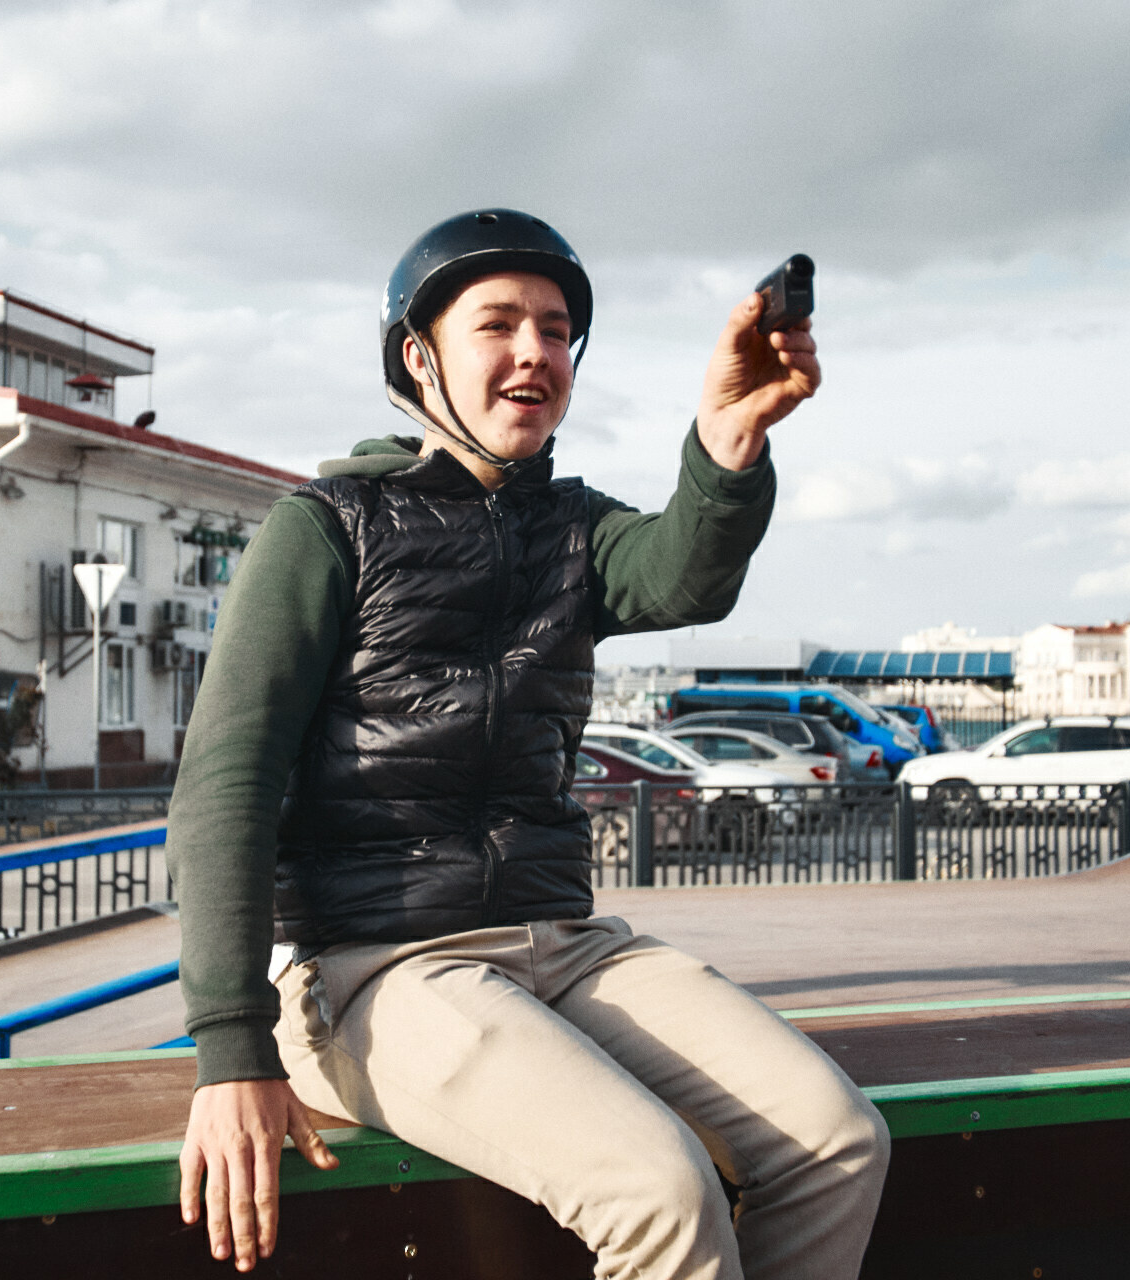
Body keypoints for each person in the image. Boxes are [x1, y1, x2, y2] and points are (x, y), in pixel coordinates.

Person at [169, 209, 889, 1278]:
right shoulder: (326, 527)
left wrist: (729, 443)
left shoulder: (573, 529)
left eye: (556, 331)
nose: (535, 352)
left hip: (564, 943)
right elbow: (227, 780)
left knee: (836, 1140)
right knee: (660, 1190)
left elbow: (683, 574)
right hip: (375, 967)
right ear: (418, 359)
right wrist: (231, 1048)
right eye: (498, 324)